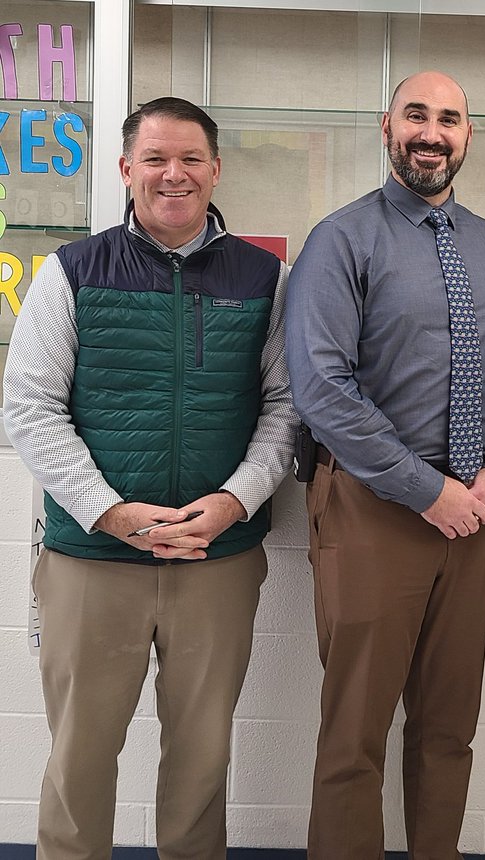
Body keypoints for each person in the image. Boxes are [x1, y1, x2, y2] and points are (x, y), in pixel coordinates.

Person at [2, 97, 295, 859]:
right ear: (127, 169)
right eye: (157, 159)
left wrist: (234, 502)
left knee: (202, 765)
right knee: (79, 763)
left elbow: (286, 409)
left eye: (192, 159)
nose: (175, 174)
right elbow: (29, 408)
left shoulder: (268, 279)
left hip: (216, 561)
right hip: (92, 561)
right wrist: (109, 511)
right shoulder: (73, 270)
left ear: (216, 169)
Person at [285, 70, 485, 859]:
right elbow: (322, 388)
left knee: (448, 727)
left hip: (476, 516)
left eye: (450, 119)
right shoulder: (341, 239)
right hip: (373, 506)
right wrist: (428, 490)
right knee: (354, 731)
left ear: (468, 135)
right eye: (417, 116)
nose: (432, 133)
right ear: (386, 126)